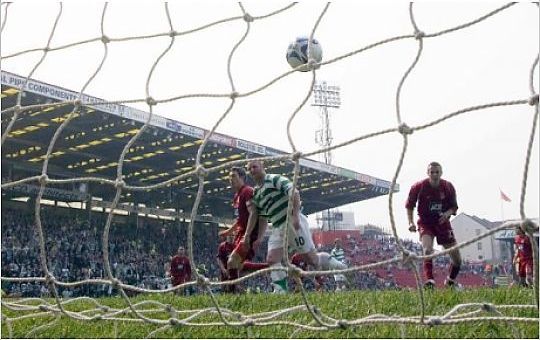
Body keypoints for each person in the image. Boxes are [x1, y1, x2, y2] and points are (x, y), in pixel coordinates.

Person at [245, 159, 319, 293]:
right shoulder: (257, 193)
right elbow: (263, 217)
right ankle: (280, 289)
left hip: (291, 222)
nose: (252, 170)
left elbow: (294, 192)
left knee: (312, 259)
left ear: (262, 166)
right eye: (249, 169)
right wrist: (260, 237)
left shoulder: (273, 179)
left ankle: (329, 269)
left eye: (254, 167)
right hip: (277, 227)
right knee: (272, 259)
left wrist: (295, 215)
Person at [406, 161, 461, 289]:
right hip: (426, 223)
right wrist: (410, 222)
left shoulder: (448, 187)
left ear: (441, 173)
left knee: (457, 260)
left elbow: (454, 207)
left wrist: (447, 213)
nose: (435, 175)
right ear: (428, 173)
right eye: (432, 172)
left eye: (437, 172)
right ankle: (430, 281)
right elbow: (410, 205)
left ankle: (450, 282)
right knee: (427, 249)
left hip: (442, 223)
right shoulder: (418, 187)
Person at [224, 166, 269, 273]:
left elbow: (254, 213)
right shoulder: (237, 196)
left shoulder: (247, 191)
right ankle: (269, 267)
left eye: (234, 176)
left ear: (242, 177)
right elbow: (240, 219)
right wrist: (228, 231)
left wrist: (247, 236)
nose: (231, 179)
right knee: (238, 265)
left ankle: (231, 290)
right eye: (229, 177)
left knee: (232, 262)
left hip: (249, 234)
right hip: (241, 233)